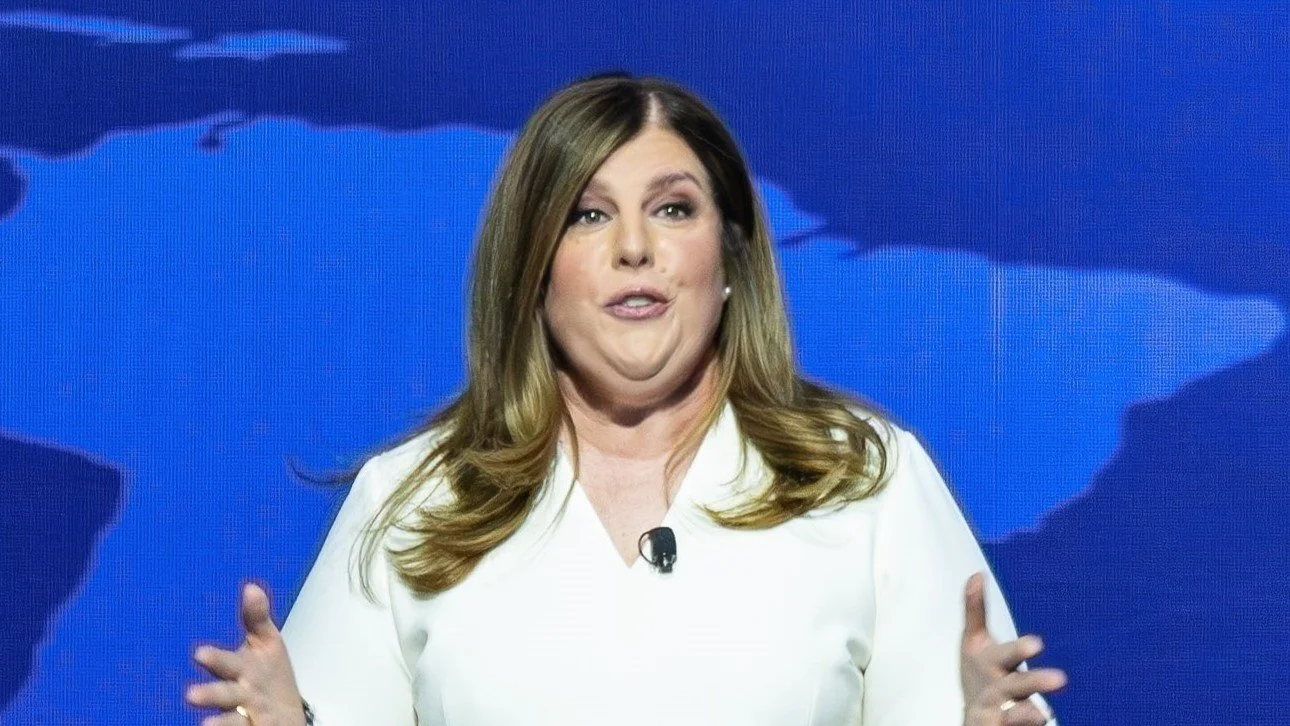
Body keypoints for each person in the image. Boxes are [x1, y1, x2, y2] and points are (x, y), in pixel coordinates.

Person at [186, 74, 1066, 725]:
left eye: (674, 210)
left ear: (730, 259)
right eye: (588, 215)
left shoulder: (863, 479)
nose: (635, 247)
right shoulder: (417, 499)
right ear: (533, 271)